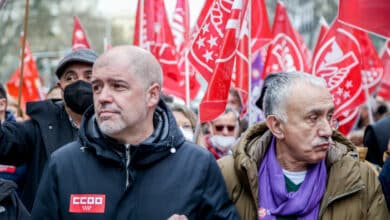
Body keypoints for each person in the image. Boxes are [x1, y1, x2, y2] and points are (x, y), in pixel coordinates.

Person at [31, 45, 239, 220]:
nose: (103, 97)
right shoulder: (64, 164)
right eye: (97, 87)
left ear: (152, 95)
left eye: (118, 86)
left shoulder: (197, 165)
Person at [218, 72, 389, 219]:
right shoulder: (228, 175)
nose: (327, 130)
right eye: (313, 118)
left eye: (329, 116)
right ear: (277, 126)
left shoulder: (361, 178)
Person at [0, 48, 98, 211]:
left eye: (89, 76)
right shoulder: (40, 127)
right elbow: (5, 141)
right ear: (61, 87)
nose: (80, 83)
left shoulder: (117, 129)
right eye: (70, 77)